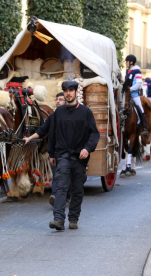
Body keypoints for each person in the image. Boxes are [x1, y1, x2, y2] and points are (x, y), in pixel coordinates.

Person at [47, 81, 99, 231]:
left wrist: (87, 149)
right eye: (65, 90)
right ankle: (58, 219)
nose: (68, 93)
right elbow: (52, 134)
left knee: (77, 189)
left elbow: (94, 134)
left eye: (71, 90)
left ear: (76, 92)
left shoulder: (85, 112)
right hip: (62, 155)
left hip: (79, 158)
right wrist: (51, 153)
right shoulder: (58, 112)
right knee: (61, 187)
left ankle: (74, 218)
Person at [23, 92, 70, 206]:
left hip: (69, 152)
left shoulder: (72, 116)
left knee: (65, 175)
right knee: (56, 174)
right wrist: (29, 138)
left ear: (66, 101)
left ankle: (66, 197)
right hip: (55, 152)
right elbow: (41, 131)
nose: (58, 101)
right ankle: (55, 196)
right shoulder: (53, 117)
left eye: (61, 99)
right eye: (57, 99)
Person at [125, 54, 148, 135]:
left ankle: (144, 128)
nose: (126, 63)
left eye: (127, 62)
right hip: (126, 95)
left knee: (140, 109)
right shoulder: (127, 71)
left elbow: (138, 84)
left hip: (134, 95)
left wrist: (129, 89)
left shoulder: (137, 71)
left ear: (131, 62)